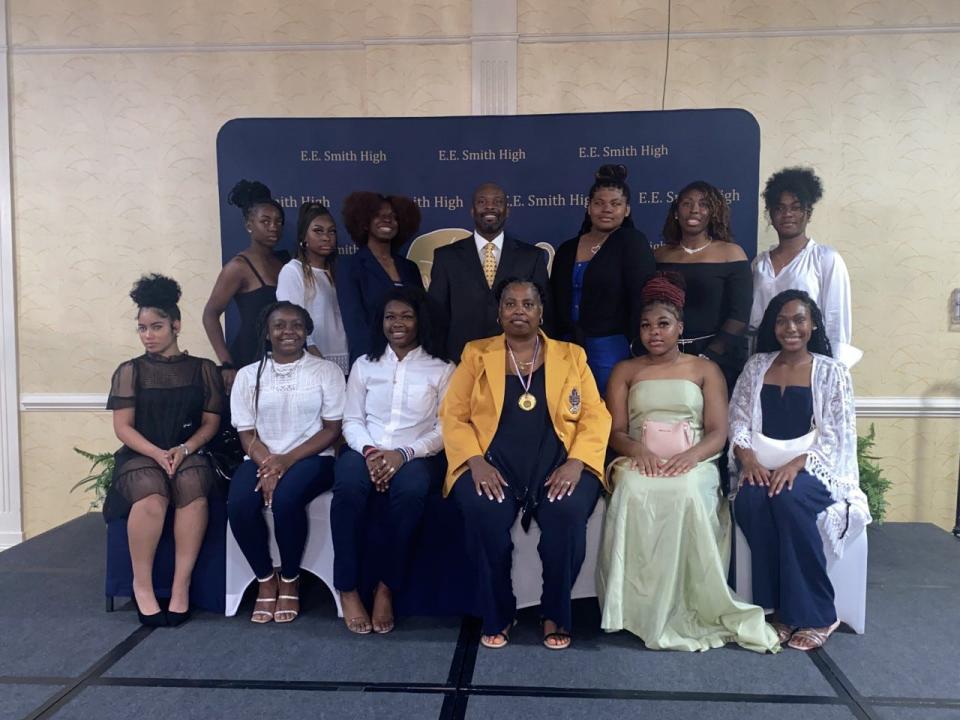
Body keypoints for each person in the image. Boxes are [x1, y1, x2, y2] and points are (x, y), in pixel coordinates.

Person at [598, 273, 779, 653]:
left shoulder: (704, 370)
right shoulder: (625, 371)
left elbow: (717, 431)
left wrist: (688, 458)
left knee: (685, 492)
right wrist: (639, 454)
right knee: (632, 489)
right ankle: (634, 609)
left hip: (694, 460)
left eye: (663, 324)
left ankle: (686, 603)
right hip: (638, 459)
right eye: (646, 326)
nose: (654, 333)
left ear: (680, 327)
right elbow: (615, 431)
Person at [440, 278, 611, 651]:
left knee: (566, 513)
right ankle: (499, 611)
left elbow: (595, 416)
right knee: (483, 512)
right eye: (510, 304)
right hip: (492, 463)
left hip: (559, 462)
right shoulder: (476, 354)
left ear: (541, 311)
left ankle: (555, 612)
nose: (519, 310)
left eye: (528, 304)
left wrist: (577, 463)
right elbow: (453, 415)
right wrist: (474, 462)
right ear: (499, 312)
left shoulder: (571, 355)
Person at [731, 290, 870, 650]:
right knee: (750, 502)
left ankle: (819, 613)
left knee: (789, 500)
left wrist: (797, 463)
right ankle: (778, 609)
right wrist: (747, 458)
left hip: (816, 467)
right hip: (762, 463)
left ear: (813, 325)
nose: (789, 327)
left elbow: (838, 435)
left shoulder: (831, 371)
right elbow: (739, 420)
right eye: (781, 320)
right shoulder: (757, 366)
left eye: (798, 319)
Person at [331, 287, 454, 634]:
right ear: (380, 322)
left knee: (411, 493)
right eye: (390, 316)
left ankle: (387, 587)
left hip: (417, 454)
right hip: (364, 449)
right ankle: (348, 588)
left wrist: (402, 455)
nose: (397, 323)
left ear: (420, 321)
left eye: (406, 316)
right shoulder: (365, 365)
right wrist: (372, 453)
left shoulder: (442, 368)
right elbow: (351, 420)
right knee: (348, 489)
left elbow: (445, 428)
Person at [106, 274, 224, 626]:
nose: (148, 336)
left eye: (156, 327)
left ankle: (180, 587)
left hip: (187, 450)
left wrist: (185, 449)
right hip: (142, 453)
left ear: (176, 325)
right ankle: (142, 586)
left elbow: (211, 423)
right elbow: (123, 427)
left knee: (193, 488)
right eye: (142, 329)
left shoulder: (204, 370)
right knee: (152, 495)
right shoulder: (130, 371)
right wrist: (158, 453)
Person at [227, 301, 346, 623]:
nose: (288, 331)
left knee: (287, 498)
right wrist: (268, 462)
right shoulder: (248, 376)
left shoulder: (326, 371)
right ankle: (266, 580)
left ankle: (291, 579)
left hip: (313, 457)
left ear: (306, 330)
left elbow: (333, 430)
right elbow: (246, 432)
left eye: (296, 325)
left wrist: (284, 462)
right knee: (239, 503)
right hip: (261, 455)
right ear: (267, 333)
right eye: (279, 325)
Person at [551, 164, 656, 396]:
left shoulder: (632, 243)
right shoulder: (568, 248)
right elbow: (553, 300)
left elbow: (641, 298)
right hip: (567, 345)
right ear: (588, 207)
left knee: (609, 407)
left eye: (615, 204)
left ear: (627, 210)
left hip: (611, 346)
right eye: (599, 203)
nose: (606, 209)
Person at [428, 182, 552, 362]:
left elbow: (544, 313)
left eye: (498, 201)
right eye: (482, 201)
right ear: (472, 210)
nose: (490, 206)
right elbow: (436, 316)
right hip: (461, 361)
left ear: (507, 210)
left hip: (517, 361)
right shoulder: (446, 257)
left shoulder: (531, 257)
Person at [749, 167, 855, 363]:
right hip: (766, 358)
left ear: (808, 213)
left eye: (796, 207)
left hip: (810, 358)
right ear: (770, 215)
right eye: (779, 208)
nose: (787, 214)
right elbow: (753, 324)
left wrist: (832, 368)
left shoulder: (825, 259)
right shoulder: (759, 264)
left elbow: (836, 321)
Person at [656, 180, 752, 393]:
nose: (694, 210)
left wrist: (708, 358)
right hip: (664, 358)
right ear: (675, 212)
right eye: (687, 203)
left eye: (703, 204)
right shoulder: (659, 255)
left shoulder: (732, 253)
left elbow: (739, 315)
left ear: (713, 213)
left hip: (718, 361)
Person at [202, 179, 288, 391]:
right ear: (249, 225)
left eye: (278, 222)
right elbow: (210, 314)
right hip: (250, 358)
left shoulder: (286, 262)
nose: (273, 227)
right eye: (265, 221)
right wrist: (226, 363)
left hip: (285, 356)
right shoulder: (238, 266)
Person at [338, 192, 424, 365]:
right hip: (372, 359)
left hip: (412, 360)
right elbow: (354, 322)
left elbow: (422, 315)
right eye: (378, 215)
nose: (387, 220)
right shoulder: (350, 266)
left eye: (393, 217)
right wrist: (372, 361)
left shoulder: (410, 268)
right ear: (364, 223)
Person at [276, 201, 350, 373]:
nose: (326, 237)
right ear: (303, 237)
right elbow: (291, 318)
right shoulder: (293, 270)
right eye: (318, 231)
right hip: (313, 359)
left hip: (347, 358)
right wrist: (311, 349)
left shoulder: (339, 272)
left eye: (331, 231)